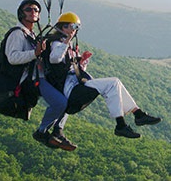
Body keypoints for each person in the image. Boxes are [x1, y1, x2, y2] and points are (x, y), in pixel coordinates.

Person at [44, 12, 161, 140]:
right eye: (70, 27)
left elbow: (74, 69)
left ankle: (137, 114)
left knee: (115, 83)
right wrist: (67, 41)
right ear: (62, 27)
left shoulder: (68, 45)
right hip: (69, 89)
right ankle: (124, 123)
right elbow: (54, 59)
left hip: (77, 84)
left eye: (74, 28)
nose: (73, 30)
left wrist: (82, 62)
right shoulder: (57, 43)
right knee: (112, 83)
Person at [0, 0, 76, 151]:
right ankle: (42, 132)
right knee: (60, 102)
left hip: (41, 76)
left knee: (70, 97)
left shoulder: (30, 34)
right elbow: (12, 57)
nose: (33, 12)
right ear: (21, 13)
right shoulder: (17, 34)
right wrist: (34, 53)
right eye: (29, 9)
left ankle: (58, 131)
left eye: (36, 10)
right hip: (31, 79)